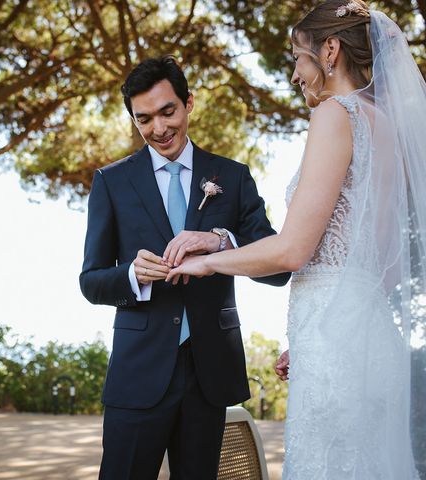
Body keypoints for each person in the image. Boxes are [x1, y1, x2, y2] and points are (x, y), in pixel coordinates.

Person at [167, 1, 426, 478]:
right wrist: (317, 336)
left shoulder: (335, 114)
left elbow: (292, 250)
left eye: (297, 59)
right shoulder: (389, 129)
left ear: (330, 51)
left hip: (338, 357)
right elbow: (386, 267)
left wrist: (208, 260)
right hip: (370, 340)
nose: (294, 75)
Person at [79, 55, 290, 479]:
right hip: (137, 373)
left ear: (189, 103)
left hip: (209, 373)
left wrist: (219, 242)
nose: (159, 128)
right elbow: (91, 281)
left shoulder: (232, 176)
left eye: (168, 111)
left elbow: (277, 266)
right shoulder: (112, 181)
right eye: (144, 119)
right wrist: (132, 276)